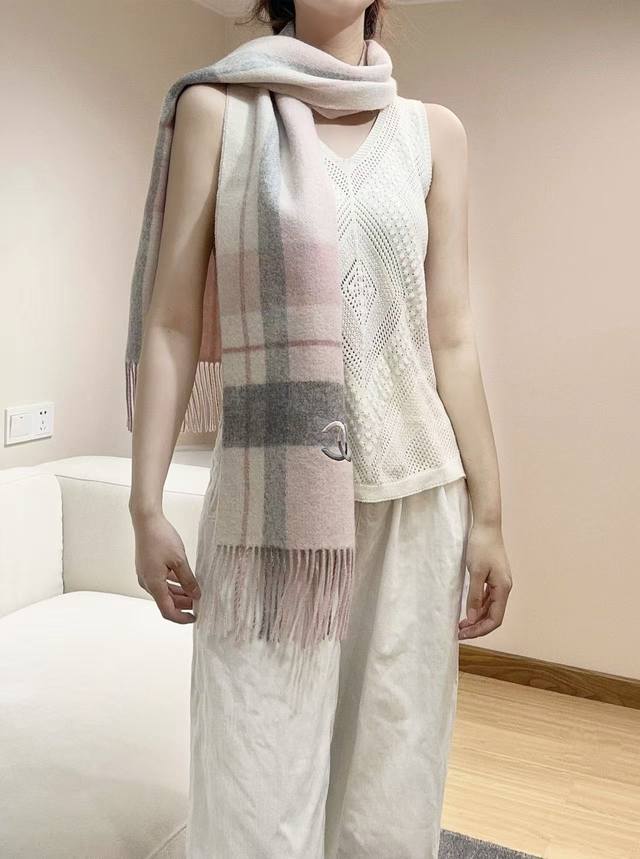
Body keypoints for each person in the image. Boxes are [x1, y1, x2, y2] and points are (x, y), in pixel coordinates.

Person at [127, 1, 513, 856]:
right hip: (270, 504)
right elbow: (172, 323)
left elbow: (451, 335)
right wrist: (144, 502)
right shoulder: (218, 112)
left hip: (415, 500)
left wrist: (488, 514)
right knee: (254, 788)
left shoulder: (432, 133)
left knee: (390, 786)